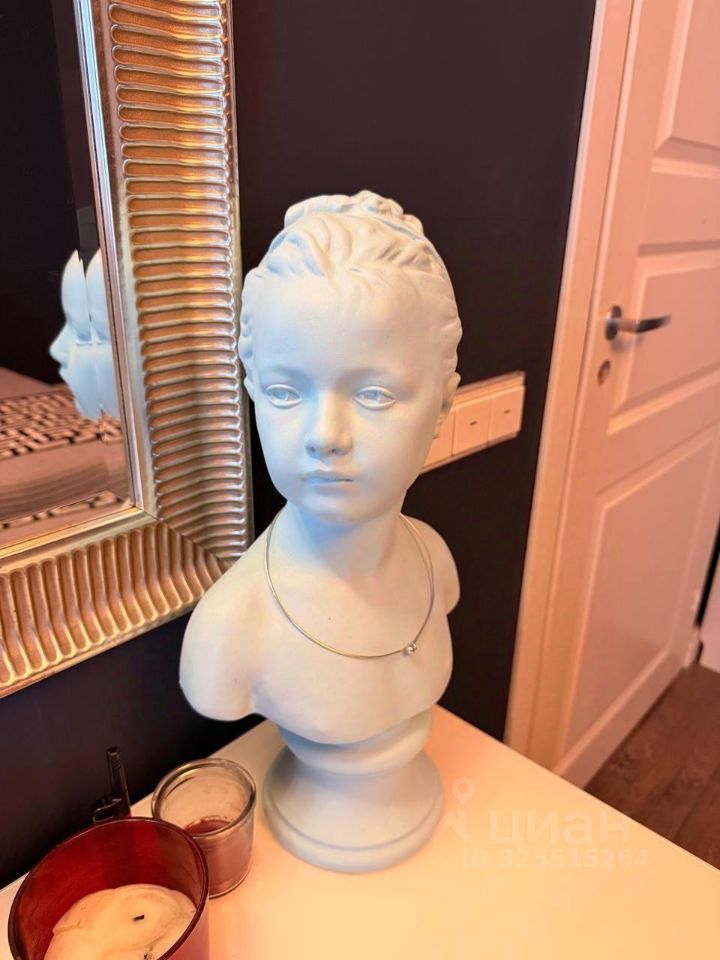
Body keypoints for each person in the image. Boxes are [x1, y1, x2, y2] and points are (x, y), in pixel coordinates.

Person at [180, 190, 462, 746]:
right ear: (254, 394)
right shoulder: (232, 628)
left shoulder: (434, 562)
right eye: (286, 393)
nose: (325, 437)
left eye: (374, 395)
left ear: (443, 405)